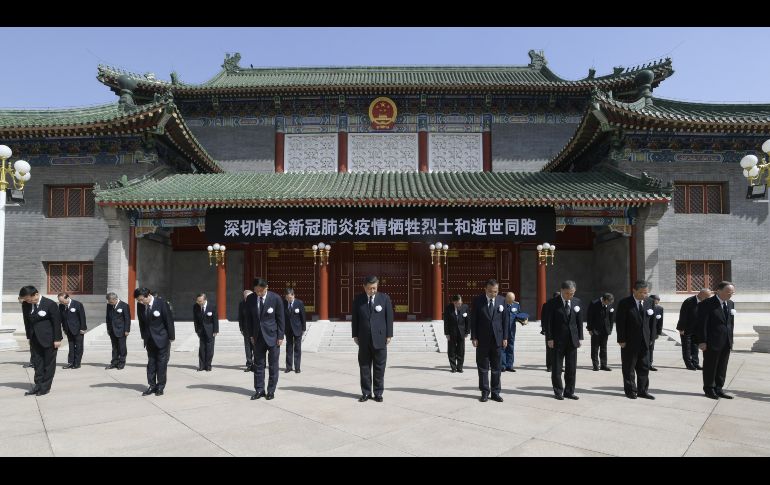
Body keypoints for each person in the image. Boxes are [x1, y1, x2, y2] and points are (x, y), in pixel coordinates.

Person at [352, 275, 394, 402]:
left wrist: (389, 334)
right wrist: (355, 334)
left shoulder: (384, 298)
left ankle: (378, 393)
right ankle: (366, 393)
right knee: (364, 366)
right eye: (370, 288)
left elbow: (389, 318)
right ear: (364, 287)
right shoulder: (358, 300)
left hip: (380, 338)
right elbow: (355, 318)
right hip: (364, 339)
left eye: (374, 288)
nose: (372, 290)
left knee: (379, 367)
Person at [541, 281, 584, 400]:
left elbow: (579, 322)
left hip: (572, 340)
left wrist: (580, 337)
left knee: (571, 368)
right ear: (561, 291)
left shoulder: (577, 302)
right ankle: (558, 391)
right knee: (557, 368)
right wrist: (549, 338)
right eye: (567, 293)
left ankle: (569, 391)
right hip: (557, 340)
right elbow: (548, 323)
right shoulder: (552, 303)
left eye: (572, 293)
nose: (570, 296)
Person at [470, 279, 509, 403]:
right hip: (482, 340)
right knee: (483, 368)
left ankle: (496, 392)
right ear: (485, 289)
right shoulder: (477, 301)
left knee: (497, 367)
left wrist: (505, 337)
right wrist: (474, 337)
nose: (494, 294)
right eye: (491, 291)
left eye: (496, 291)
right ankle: (485, 392)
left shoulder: (502, 300)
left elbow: (505, 320)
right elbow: (473, 320)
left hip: (497, 340)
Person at [616, 280, 655, 400]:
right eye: (642, 292)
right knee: (629, 368)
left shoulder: (650, 302)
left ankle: (643, 390)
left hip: (645, 341)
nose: (644, 295)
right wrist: (621, 339)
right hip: (629, 341)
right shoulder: (624, 303)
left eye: (646, 292)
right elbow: (620, 323)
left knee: (644, 367)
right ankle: (631, 391)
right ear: (634, 291)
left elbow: (652, 322)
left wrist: (652, 338)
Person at [20, 286, 62, 396]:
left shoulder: (50, 304)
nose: (28, 301)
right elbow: (26, 321)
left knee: (48, 365)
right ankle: (38, 386)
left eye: (29, 299)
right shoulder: (26, 304)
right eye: (26, 300)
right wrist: (29, 337)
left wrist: (57, 339)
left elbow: (56, 322)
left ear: (36, 294)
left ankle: (45, 388)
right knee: (37, 364)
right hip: (34, 339)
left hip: (49, 339)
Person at [696, 281, 736, 400]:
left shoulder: (730, 303)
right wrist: (702, 341)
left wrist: (731, 339)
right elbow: (701, 324)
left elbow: (730, 323)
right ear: (718, 290)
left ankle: (719, 388)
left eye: (732, 293)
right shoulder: (706, 304)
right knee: (710, 366)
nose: (730, 295)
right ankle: (709, 389)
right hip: (711, 341)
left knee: (722, 367)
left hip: (726, 341)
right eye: (728, 292)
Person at [247, 278, 285, 401]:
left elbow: (281, 318)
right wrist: (251, 335)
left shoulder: (275, 298)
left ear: (266, 287)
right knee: (258, 364)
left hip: (273, 337)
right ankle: (259, 390)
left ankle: (271, 391)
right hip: (257, 337)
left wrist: (280, 336)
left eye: (261, 290)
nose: (258, 293)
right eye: (256, 290)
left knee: (273, 365)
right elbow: (249, 318)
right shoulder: (250, 298)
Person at [135, 287, 175, 396]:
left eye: (142, 299)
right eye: (138, 300)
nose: (140, 302)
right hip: (149, 339)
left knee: (161, 364)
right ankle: (151, 385)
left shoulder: (162, 304)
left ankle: (160, 386)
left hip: (162, 338)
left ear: (148, 295)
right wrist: (144, 336)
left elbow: (169, 321)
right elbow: (141, 323)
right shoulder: (140, 305)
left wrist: (171, 337)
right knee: (151, 363)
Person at [676, 288, 711, 370]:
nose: (707, 298)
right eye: (707, 297)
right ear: (701, 294)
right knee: (687, 347)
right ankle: (689, 364)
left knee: (695, 347)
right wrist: (681, 328)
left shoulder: (705, 302)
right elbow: (683, 315)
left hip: (697, 329)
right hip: (686, 329)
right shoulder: (689, 301)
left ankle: (695, 363)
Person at [57, 292, 87, 369]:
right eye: (60, 301)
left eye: (62, 301)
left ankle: (77, 363)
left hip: (78, 330)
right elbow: (61, 318)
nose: (61, 302)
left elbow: (82, 317)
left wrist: (83, 328)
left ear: (67, 298)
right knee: (71, 347)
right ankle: (70, 362)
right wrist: (64, 328)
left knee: (79, 347)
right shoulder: (61, 306)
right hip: (68, 330)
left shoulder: (77, 304)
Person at [500, 292, 528, 372]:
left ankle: (510, 366)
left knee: (511, 347)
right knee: (503, 347)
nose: (511, 302)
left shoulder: (516, 305)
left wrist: (523, 320)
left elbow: (518, 315)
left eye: (512, 300)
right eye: (510, 300)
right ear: (506, 298)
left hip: (512, 330)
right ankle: (502, 366)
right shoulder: (501, 305)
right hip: (502, 330)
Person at [587, 293, 614, 371]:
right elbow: (589, 316)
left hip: (605, 329)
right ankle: (595, 365)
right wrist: (590, 329)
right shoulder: (594, 303)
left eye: (610, 303)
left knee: (603, 348)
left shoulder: (609, 303)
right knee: (595, 348)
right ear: (604, 300)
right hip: (595, 329)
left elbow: (611, 317)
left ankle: (603, 365)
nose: (609, 304)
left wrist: (610, 329)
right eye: (608, 302)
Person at [443, 294, 470, 373]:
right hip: (452, 332)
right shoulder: (448, 308)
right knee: (451, 350)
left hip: (461, 332)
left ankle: (460, 367)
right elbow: (446, 322)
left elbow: (468, 320)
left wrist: (467, 332)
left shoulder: (465, 307)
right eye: (458, 303)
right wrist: (447, 333)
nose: (460, 304)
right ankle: (453, 367)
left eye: (460, 302)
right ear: (454, 302)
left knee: (461, 350)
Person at [193, 293, 218, 372]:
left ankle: (208, 366)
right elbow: (195, 320)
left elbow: (215, 319)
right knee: (202, 349)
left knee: (209, 349)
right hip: (201, 331)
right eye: (197, 301)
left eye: (200, 301)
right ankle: (201, 366)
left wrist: (215, 330)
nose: (199, 302)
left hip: (210, 331)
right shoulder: (195, 306)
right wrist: (197, 330)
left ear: (205, 300)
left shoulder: (212, 306)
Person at [283, 288, 306, 373]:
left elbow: (303, 316)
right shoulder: (283, 303)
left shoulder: (299, 303)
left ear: (293, 295)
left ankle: (297, 367)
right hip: (288, 329)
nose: (289, 299)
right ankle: (288, 367)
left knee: (297, 348)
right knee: (289, 348)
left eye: (290, 297)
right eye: (287, 298)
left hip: (297, 329)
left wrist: (303, 328)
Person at [105, 292, 130, 370]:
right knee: (114, 347)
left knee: (122, 347)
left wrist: (127, 330)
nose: (110, 303)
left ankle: (121, 363)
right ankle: (114, 362)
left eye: (111, 302)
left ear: (115, 299)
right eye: (109, 302)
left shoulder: (124, 305)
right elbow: (107, 318)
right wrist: (108, 329)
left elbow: (127, 319)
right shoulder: (109, 305)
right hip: (112, 330)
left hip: (121, 330)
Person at [238, 289, 254, 371]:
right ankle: (249, 364)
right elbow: (240, 317)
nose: (247, 298)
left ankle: (257, 364)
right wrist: (241, 328)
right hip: (246, 329)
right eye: (246, 297)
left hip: (255, 329)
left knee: (256, 347)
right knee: (248, 347)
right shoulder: (242, 304)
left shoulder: (255, 302)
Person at [649, 295, 664, 371]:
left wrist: (658, 332)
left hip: (653, 332)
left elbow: (660, 321)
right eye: (655, 301)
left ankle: (649, 364)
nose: (656, 303)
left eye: (658, 302)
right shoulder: (646, 307)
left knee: (651, 348)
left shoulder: (660, 308)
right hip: (645, 331)